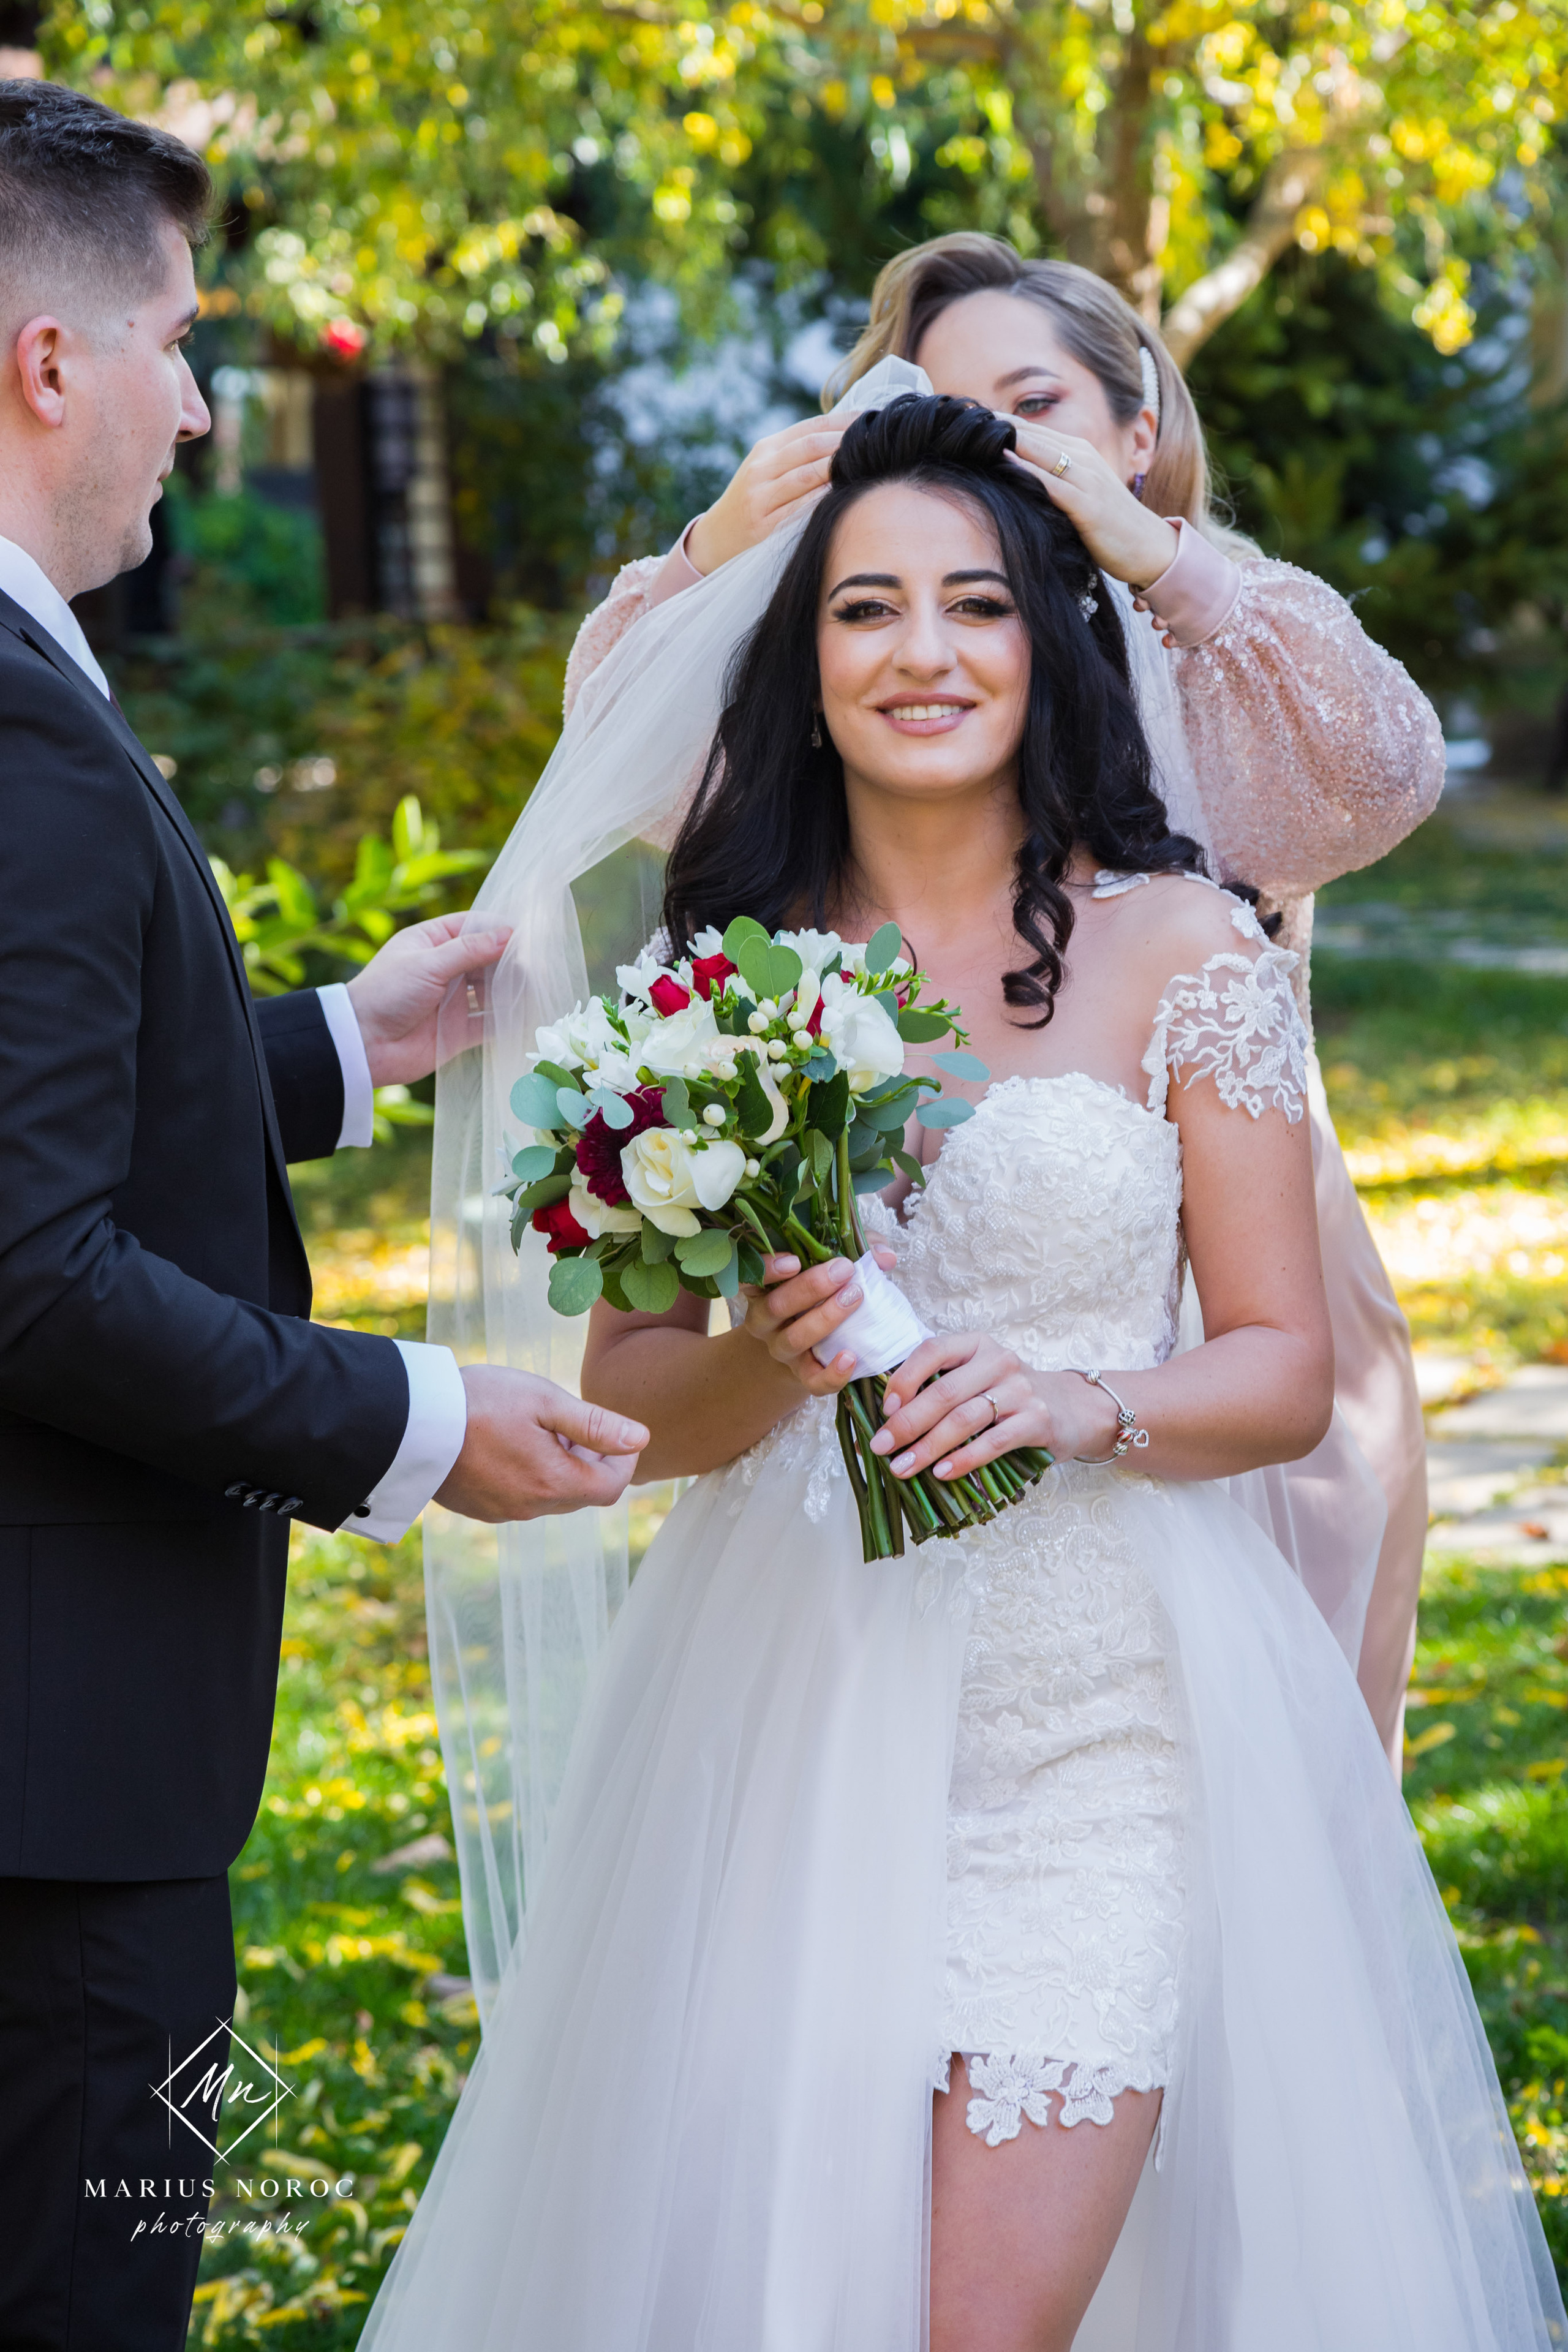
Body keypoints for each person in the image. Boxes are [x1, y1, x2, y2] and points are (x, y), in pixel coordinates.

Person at [360, 395, 1559, 2349]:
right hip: (789, 1713)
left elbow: (1284, 1368)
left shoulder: (1190, 951)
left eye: (976, 604)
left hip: (1103, 1729)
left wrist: (1090, 1405)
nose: (922, 652)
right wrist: (774, 1356)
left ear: (1047, 643)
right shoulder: (712, 982)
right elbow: (637, 1416)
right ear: (805, 658)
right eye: (866, 609)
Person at [0, 80, 646, 2352]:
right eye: (182, 344)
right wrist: (413, 1418)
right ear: (47, 361)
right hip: (55, 1802)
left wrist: (345, 1045)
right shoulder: (22, 732)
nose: (201, 408)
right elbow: (29, 1273)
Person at [565, 233, 1441, 1773]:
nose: (985, 448)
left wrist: (1153, 557)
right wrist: (715, 550)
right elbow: (619, 743)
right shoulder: (752, 942)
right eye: (934, 407)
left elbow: (1381, 768)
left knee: (1295, 1727)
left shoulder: (1216, 709)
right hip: (813, 1600)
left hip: (1188, 1368)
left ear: (1133, 431)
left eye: (1026, 408)